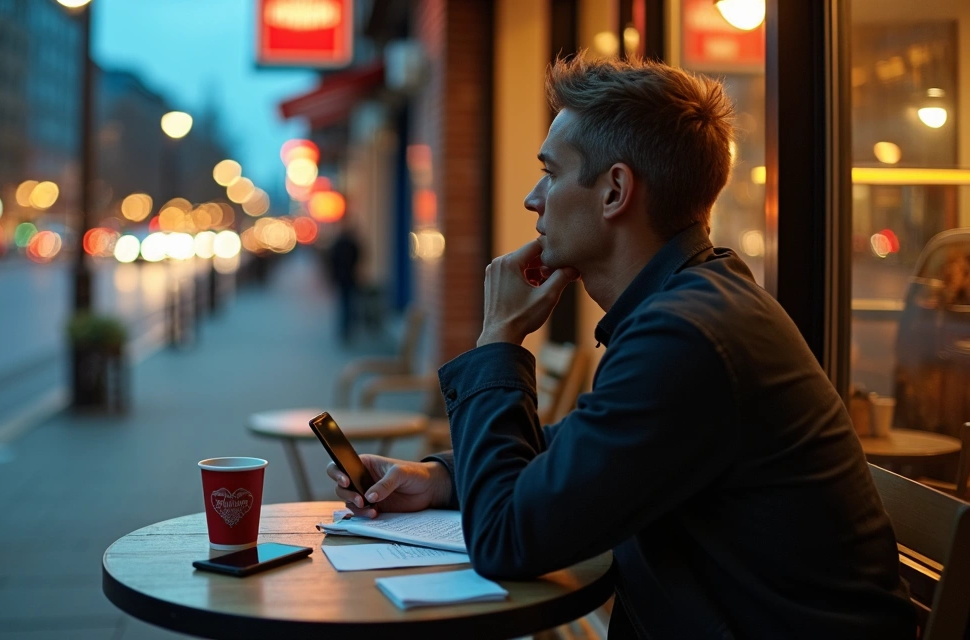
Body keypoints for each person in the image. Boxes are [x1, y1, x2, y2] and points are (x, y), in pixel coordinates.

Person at [325, 55, 916, 638]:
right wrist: (438, 478)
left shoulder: (686, 334)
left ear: (614, 192)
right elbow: (593, 450)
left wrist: (498, 338)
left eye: (551, 173)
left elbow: (506, 541)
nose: (534, 199)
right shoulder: (696, 304)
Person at [327, 224, 362, 343]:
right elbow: (360, 258)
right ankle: (348, 328)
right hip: (351, 278)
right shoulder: (352, 244)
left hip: (342, 279)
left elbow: (332, 261)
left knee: (344, 304)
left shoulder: (338, 244)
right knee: (349, 303)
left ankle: (344, 329)